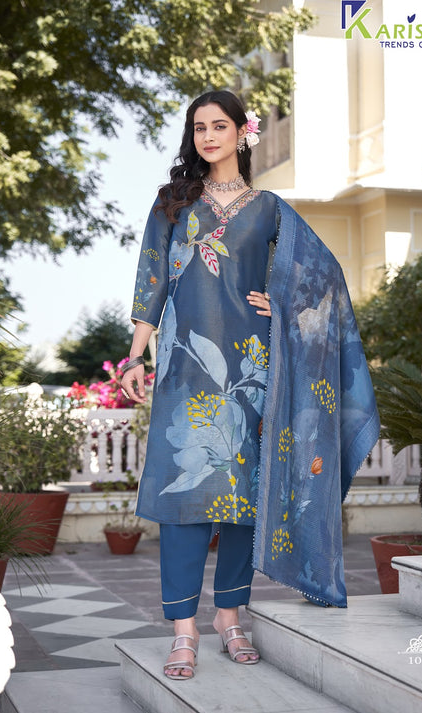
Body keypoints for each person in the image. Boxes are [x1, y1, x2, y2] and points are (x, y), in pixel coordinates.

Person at [121, 90, 379, 681]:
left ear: (243, 132)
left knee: (244, 498)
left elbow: (324, 278)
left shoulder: (271, 210)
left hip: (252, 367)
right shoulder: (172, 203)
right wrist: (135, 356)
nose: (208, 136)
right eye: (199, 127)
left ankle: (229, 616)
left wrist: (282, 303)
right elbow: (150, 282)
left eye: (219, 125)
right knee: (184, 502)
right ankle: (183, 629)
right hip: (185, 368)